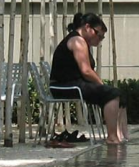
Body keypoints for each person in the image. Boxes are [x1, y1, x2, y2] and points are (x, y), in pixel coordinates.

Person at [50, 12, 129, 145]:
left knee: (120, 95)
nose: (99, 39)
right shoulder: (77, 41)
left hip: (73, 84)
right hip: (64, 87)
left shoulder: (81, 42)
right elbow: (86, 71)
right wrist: (101, 85)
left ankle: (122, 135)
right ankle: (112, 137)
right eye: (98, 35)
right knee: (112, 94)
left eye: (102, 37)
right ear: (87, 27)